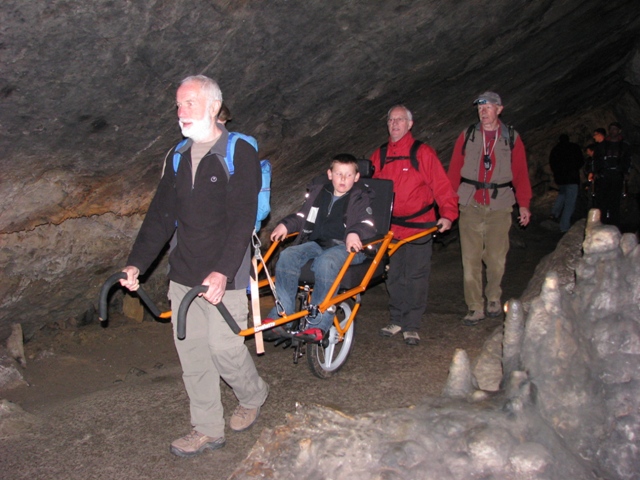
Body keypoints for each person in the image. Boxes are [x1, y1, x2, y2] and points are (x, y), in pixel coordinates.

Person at [119, 75, 269, 457]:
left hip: (226, 272)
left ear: (215, 108)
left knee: (224, 349)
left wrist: (221, 270)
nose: (181, 112)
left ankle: (253, 394)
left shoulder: (238, 152)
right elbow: (160, 215)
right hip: (184, 271)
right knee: (193, 355)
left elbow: (242, 218)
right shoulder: (177, 156)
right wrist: (137, 263)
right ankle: (207, 429)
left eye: (189, 103)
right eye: (178, 105)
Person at [371, 105, 458, 346]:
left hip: (420, 225)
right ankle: (397, 319)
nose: (395, 124)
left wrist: (448, 214)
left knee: (416, 276)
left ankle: (412, 324)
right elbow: (369, 190)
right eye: (391, 120)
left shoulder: (423, 153)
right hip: (392, 229)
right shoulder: (379, 155)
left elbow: (442, 186)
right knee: (394, 275)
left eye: (400, 120)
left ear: (410, 124)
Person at [264, 154, 376, 341]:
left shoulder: (361, 197)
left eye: (348, 175)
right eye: (339, 173)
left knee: (326, 262)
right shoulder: (319, 192)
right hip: (317, 243)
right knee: (288, 255)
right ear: (330, 174)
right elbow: (302, 216)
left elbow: (367, 223)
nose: (343, 179)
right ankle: (283, 315)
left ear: (356, 177)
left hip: (347, 248)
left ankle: (317, 324)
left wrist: (354, 233)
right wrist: (286, 224)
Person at [447, 91, 532, 326]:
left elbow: (521, 173)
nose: (483, 112)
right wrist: (449, 204)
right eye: (480, 108)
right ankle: (475, 306)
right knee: (470, 259)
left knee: (495, 258)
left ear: (499, 109)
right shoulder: (468, 135)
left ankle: (493, 296)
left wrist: (524, 204)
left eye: (488, 107)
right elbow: (454, 170)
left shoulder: (511, 137)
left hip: (500, 203)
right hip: (471, 202)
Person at [590, 122, 631, 227]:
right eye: (611, 129)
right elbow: (596, 159)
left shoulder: (624, 146)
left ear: (619, 131)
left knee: (615, 201)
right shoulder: (602, 145)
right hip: (604, 175)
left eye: (615, 129)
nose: (613, 131)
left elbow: (627, 161)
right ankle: (602, 223)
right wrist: (596, 172)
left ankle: (614, 224)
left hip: (617, 176)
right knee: (602, 200)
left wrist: (626, 173)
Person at [549, 134, 584, 233]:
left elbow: (552, 163)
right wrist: (574, 169)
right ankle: (564, 226)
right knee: (570, 202)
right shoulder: (574, 148)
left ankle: (554, 213)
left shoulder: (556, 149)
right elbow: (580, 161)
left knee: (562, 194)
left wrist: (557, 173)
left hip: (561, 178)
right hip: (572, 178)